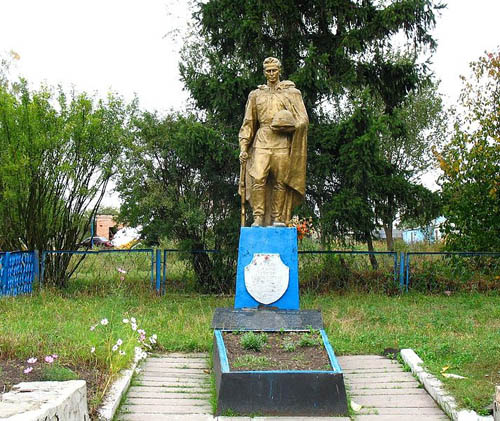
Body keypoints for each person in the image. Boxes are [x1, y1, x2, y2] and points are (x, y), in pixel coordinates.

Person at [239, 57, 308, 227]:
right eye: (268, 71)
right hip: (261, 141)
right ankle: (258, 216)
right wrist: (243, 146)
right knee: (258, 179)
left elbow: (303, 119)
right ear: (264, 72)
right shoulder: (256, 95)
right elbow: (248, 123)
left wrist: (289, 125)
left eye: (274, 70)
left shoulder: (291, 93)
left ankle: (277, 218)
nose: (271, 74)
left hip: (282, 142)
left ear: (279, 71)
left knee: (280, 181)